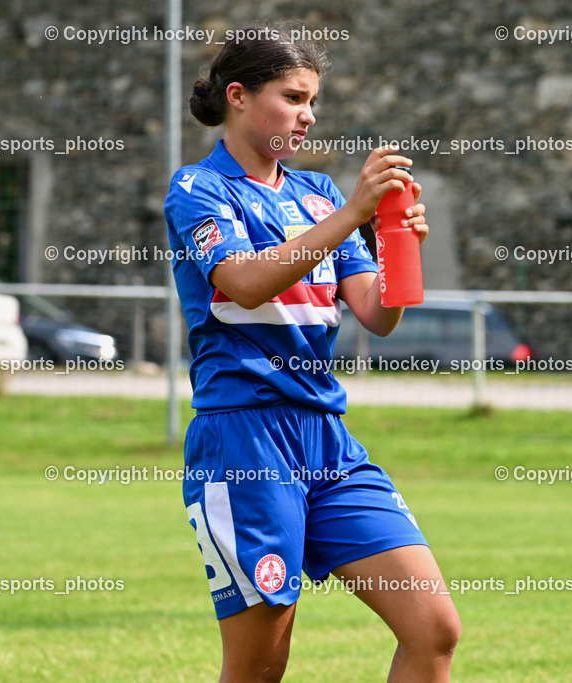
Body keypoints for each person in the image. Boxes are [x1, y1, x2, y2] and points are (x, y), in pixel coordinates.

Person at [164, 26, 461, 682]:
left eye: (313, 100)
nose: (308, 114)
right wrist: (354, 212)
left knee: (434, 628)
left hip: (328, 441)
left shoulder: (320, 195)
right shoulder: (198, 191)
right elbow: (243, 283)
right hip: (245, 440)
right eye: (293, 97)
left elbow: (378, 316)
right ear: (238, 97)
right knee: (260, 668)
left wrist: (395, 240)